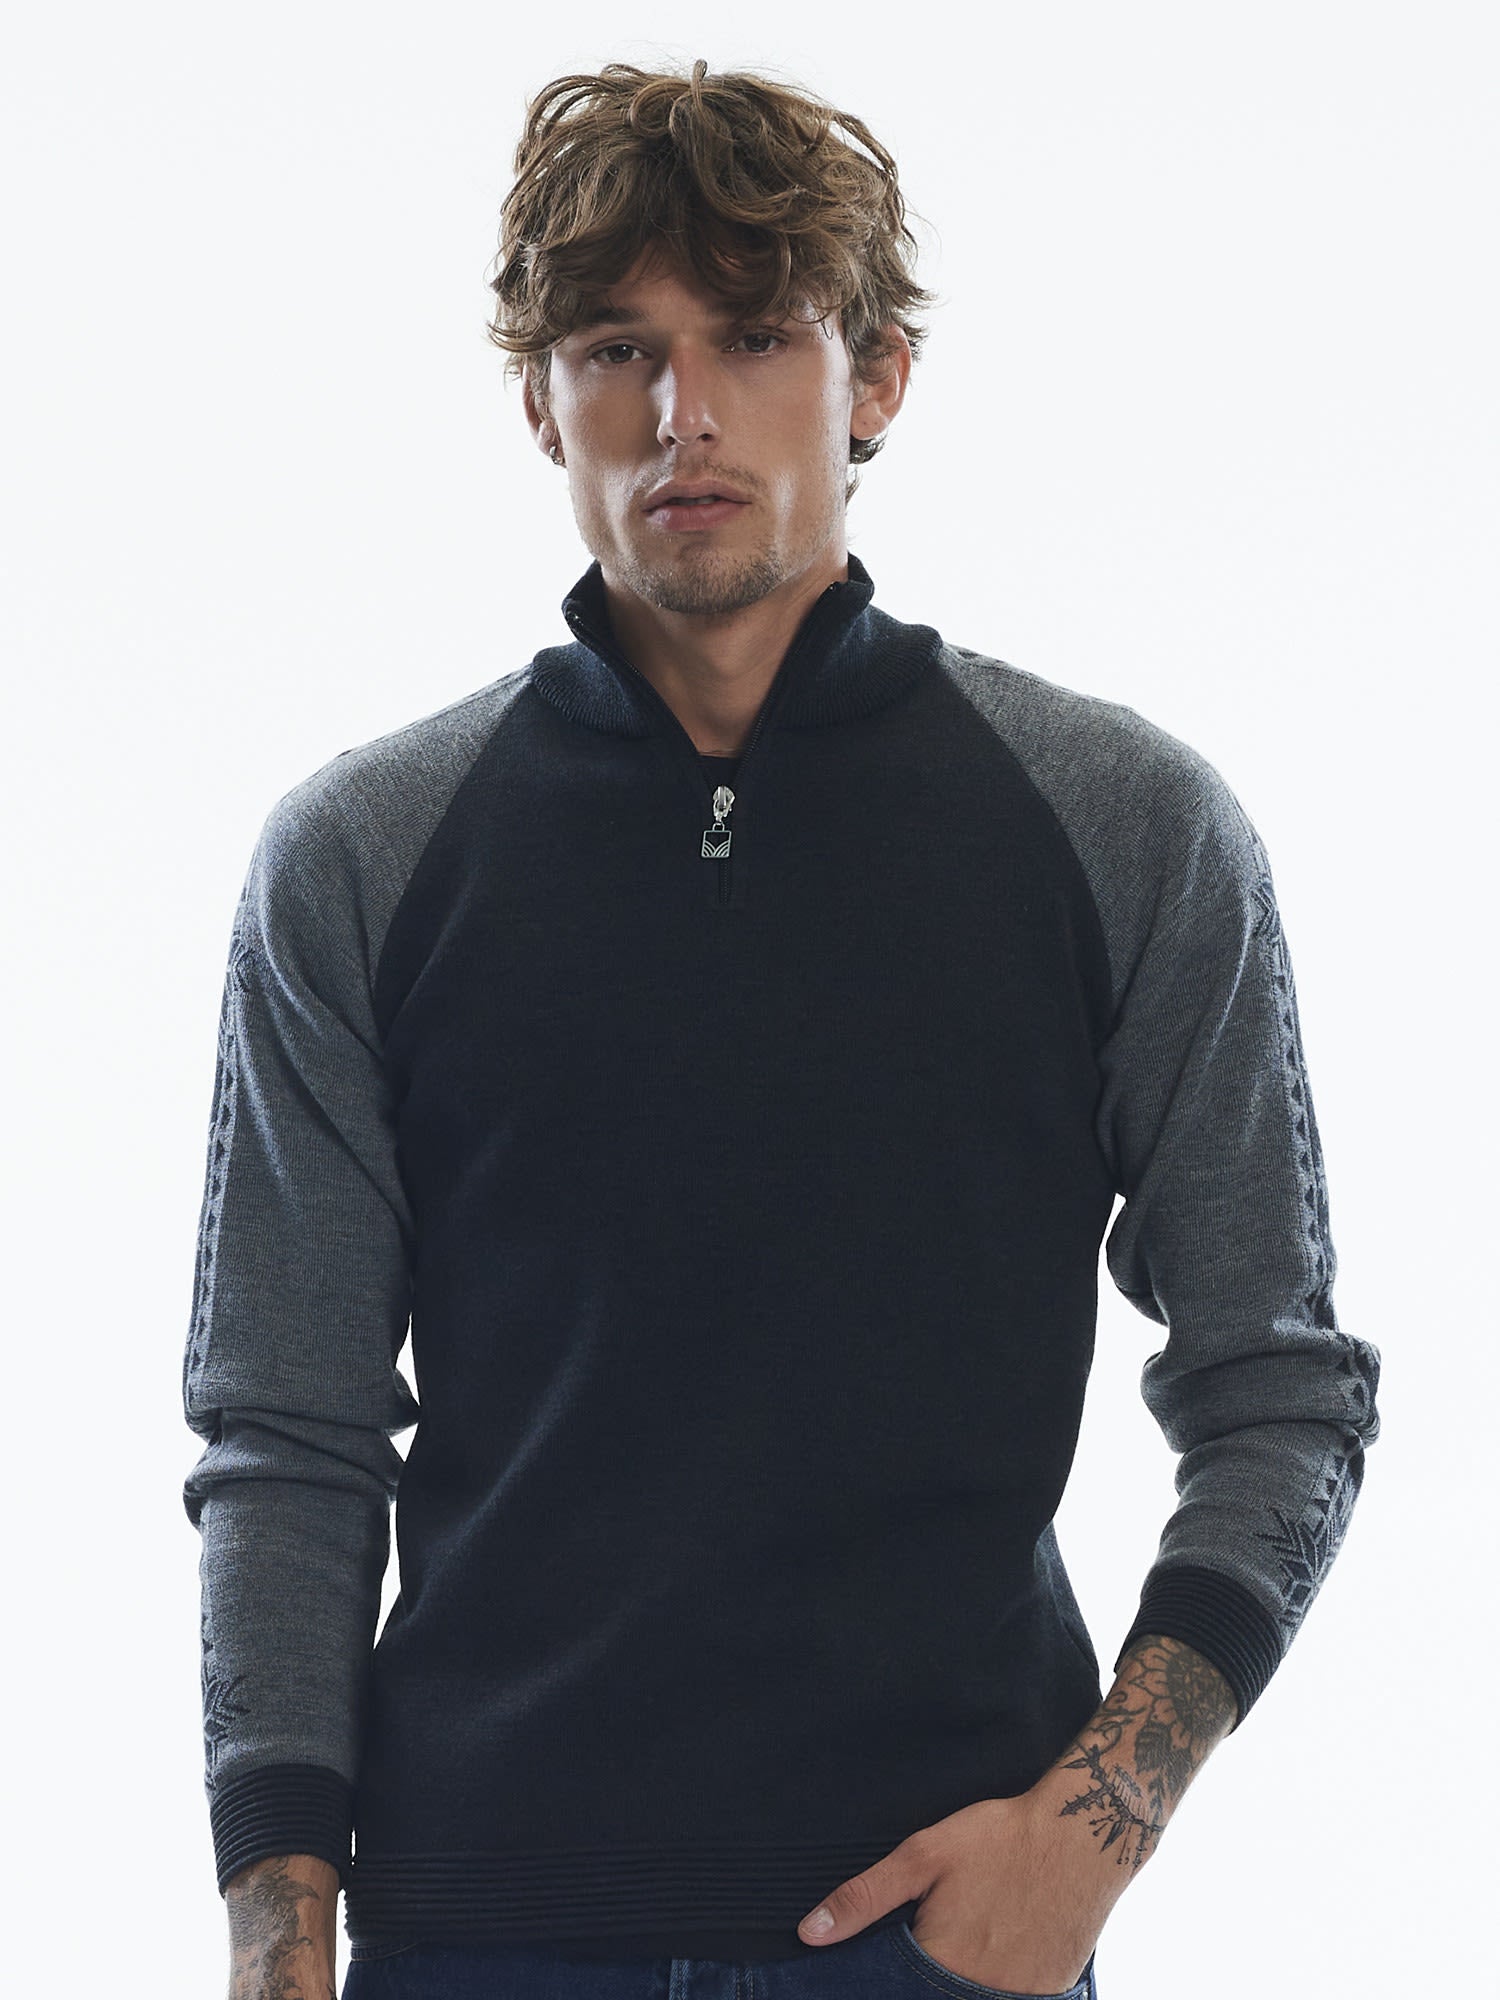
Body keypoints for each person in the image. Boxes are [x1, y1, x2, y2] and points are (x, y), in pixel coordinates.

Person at [181, 57, 1382, 2000]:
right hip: (477, 1933)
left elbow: (1282, 1387)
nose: (684, 413)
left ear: (877, 375)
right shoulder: (365, 857)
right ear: (540, 398)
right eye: (614, 349)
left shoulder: (1121, 826)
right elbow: (287, 1432)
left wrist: (1086, 1842)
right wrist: (276, 1927)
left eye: (754, 336)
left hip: (939, 1938)